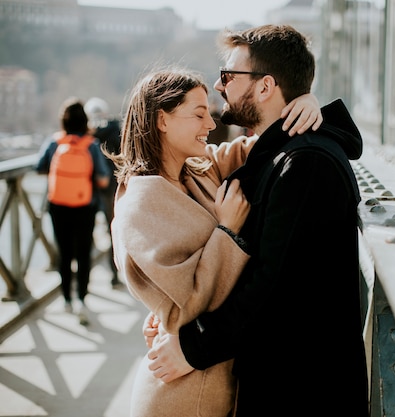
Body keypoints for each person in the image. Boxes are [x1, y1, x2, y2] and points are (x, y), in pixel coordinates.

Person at [146, 25, 369, 416]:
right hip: (289, 380)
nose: (220, 85)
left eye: (229, 76)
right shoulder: (285, 155)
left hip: (300, 390)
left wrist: (192, 348)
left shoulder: (305, 164)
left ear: (265, 87)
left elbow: (271, 286)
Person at [109, 66, 323, 417]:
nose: (211, 124)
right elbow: (187, 301)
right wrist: (227, 230)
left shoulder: (198, 169)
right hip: (182, 394)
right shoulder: (141, 204)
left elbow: (259, 146)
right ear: (162, 120)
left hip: (209, 377)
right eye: (198, 114)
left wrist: (305, 104)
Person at [36, 97, 111, 326]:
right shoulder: (91, 145)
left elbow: (39, 167)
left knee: (64, 253)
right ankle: (82, 300)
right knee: (83, 253)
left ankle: (66, 299)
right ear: (84, 121)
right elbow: (103, 179)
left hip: (58, 206)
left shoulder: (54, 142)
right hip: (85, 207)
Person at [84, 97, 123, 288]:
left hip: (88, 188)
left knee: (85, 232)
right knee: (112, 231)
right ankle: (114, 276)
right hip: (111, 188)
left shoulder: (87, 134)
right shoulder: (116, 130)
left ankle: (83, 278)